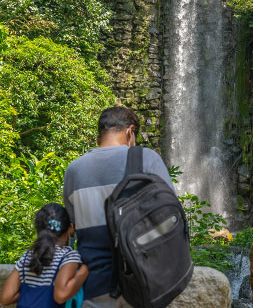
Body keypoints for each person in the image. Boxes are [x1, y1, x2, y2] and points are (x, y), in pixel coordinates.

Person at [63, 106, 174, 308]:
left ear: (99, 139)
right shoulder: (146, 159)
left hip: (93, 288)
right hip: (143, 285)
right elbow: (171, 219)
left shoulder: (73, 170)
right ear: (130, 132)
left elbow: (72, 232)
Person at [0, 203, 89, 308]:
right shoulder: (69, 256)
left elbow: (6, 298)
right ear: (70, 228)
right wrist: (84, 270)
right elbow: (61, 295)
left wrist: (31, 292)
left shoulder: (28, 256)